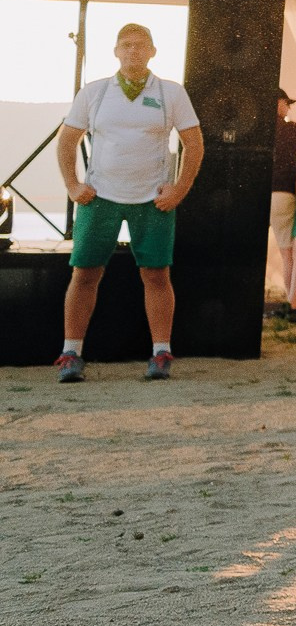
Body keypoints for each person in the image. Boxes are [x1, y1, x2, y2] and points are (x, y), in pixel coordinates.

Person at [55, 23, 203, 383]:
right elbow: (67, 140)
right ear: (116, 51)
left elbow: (194, 144)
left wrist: (180, 189)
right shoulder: (95, 92)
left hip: (152, 199)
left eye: (141, 46)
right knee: (85, 273)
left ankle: (161, 352)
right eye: (126, 45)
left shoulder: (170, 92)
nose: (133, 51)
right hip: (100, 196)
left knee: (156, 274)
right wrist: (74, 184)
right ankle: (71, 353)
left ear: (153, 52)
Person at [269, 89, 296, 318]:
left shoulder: (258, 130)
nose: (289, 108)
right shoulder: (294, 129)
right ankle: (292, 304)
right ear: (279, 102)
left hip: (261, 191)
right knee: (290, 253)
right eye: (287, 103)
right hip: (285, 192)